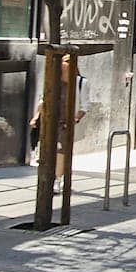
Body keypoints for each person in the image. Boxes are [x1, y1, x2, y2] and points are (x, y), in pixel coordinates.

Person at [29, 56, 90, 195]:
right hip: (50, 121)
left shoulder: (81, 83)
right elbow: (43, 100)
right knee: (49, 150)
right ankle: (50, 178)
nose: (64, 65)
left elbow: (85, 105)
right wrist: (36, 117)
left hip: (66, 124)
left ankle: (57, 179)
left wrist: (75, 119)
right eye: (64, 62)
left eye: (67, 62)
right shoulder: (54, 81)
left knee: (61, 152)